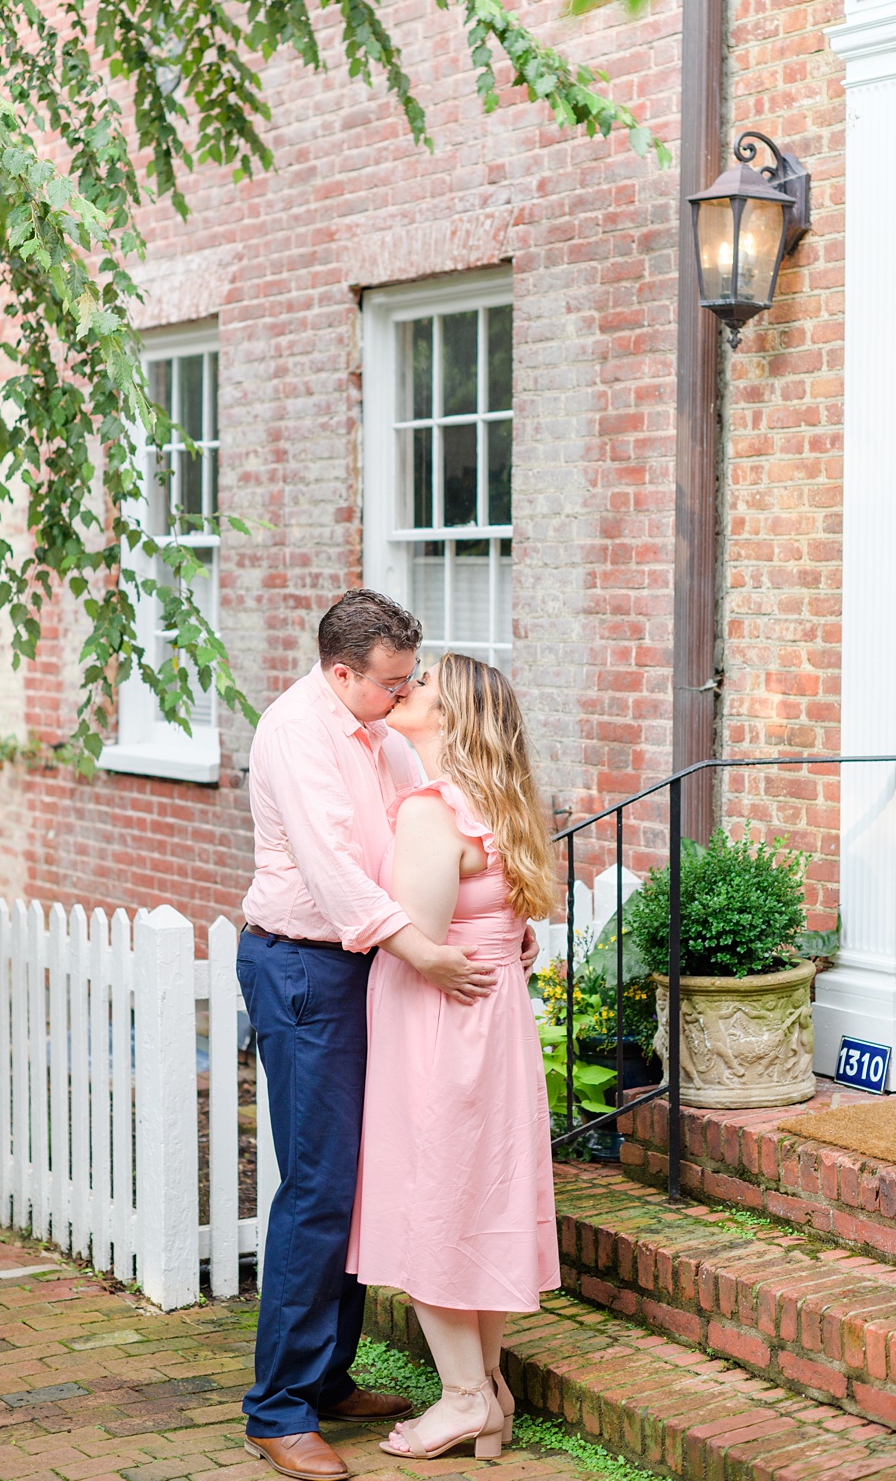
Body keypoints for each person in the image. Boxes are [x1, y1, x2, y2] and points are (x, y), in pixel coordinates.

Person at [236, 588, 511, 1481]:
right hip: (306, 967)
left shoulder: (381, 731)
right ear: (341, 671)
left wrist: (489, 920)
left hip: (372, 966)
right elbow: (339, 878)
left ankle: (328, 1377)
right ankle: (277, 1410)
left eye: (406, 685)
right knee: (318, 1186)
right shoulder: (296, 734)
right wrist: (428, 954)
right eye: (387, 685)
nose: (401, 700)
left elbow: (422, 837)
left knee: (360, 1180)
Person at [349, 651, 560, 1463]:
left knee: (429, 1206)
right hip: (494, 1022)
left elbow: (420, 936)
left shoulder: (432, 809)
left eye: (425, 684)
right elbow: (506, 918)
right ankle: (492, 1390)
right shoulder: (499, 803)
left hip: (438, 1025)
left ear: (452, 717)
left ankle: (465, 1397)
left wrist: (365, 913)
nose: (410, 688)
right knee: (477, 1199)